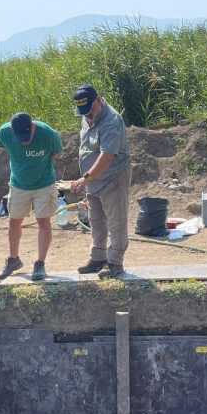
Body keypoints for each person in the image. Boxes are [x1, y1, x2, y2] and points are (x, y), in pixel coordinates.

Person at [69, 85, 131, 280]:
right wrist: (88, 179)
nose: (88, 116)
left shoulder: (112, 121)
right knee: (96, 220)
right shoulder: (86, 115)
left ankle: (114, 263)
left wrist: (85, 178)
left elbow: (107, 156)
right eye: (83, 113)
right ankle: (97, 258)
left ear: (98, 100)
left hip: (112, 178)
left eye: (90, 111)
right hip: (93, 181)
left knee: (116, 221)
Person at [0, 112, 64, 281]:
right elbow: (3, 148)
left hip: (44, 184)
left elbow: (57, 153)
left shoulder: (48, 134)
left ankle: (40, 263)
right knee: (14, 221)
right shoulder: (4, 133)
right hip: (18, 184)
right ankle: (13, 259)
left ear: (33, 126)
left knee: (43, 222)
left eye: (28, 136)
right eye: (20, 137)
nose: (25, 141)